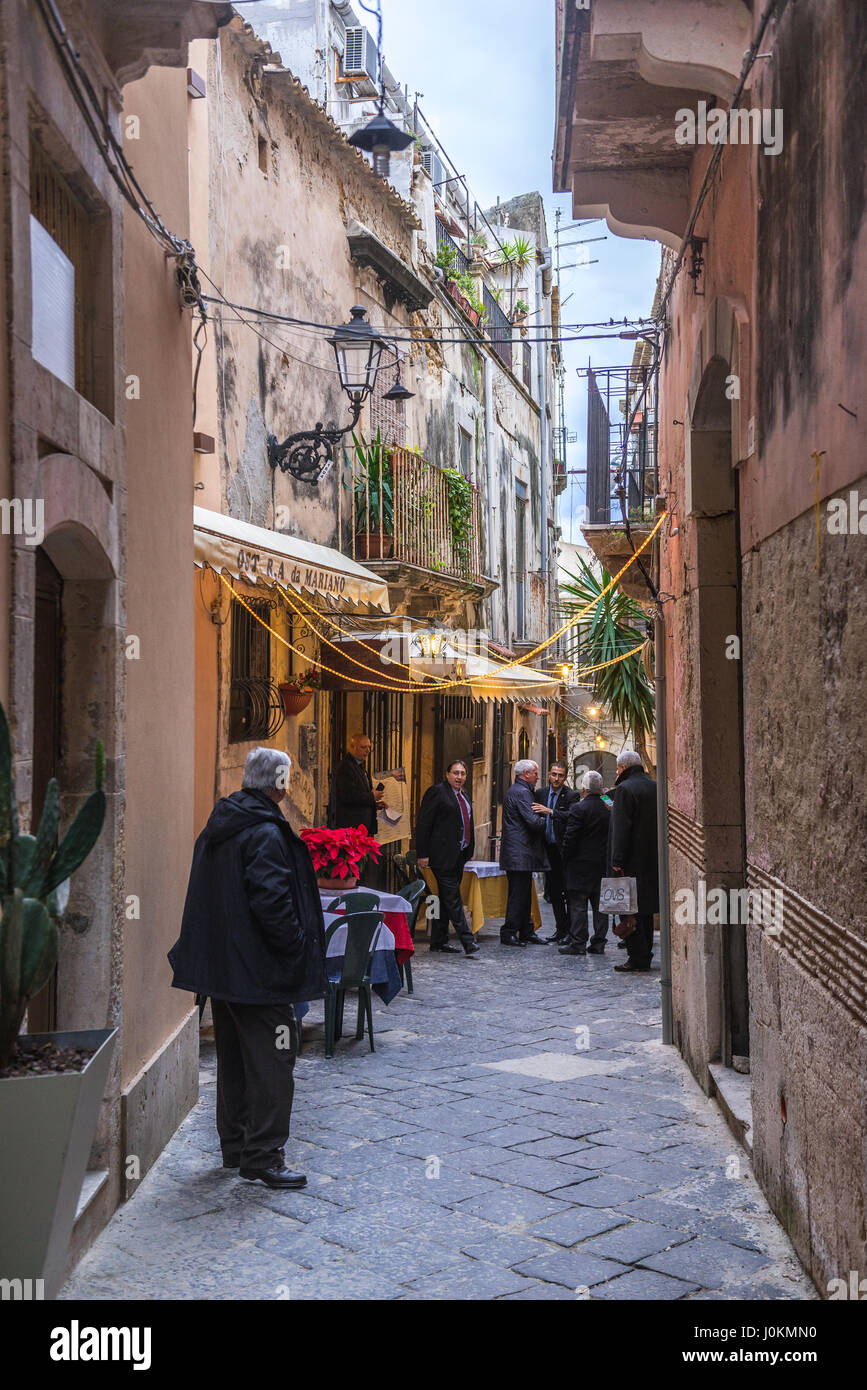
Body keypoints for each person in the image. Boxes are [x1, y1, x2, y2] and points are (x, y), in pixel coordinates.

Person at [168, 748, 326, 1190]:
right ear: (278, 783)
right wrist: (295, 944)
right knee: (275, 1060)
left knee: (235, 1059)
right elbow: (272, 902)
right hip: (260, 973)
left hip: (227, 973)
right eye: (288, 777)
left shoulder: (222, 826)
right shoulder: (264, 833)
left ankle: (236, 1146)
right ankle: (263, 1155)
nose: (289, 784)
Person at [415, 759, 479, 957]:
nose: (459, 777)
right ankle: (468, 942)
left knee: (444, 899)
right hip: (441, 856)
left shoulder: (464, 795)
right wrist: (422, 854)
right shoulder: (437, 792)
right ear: (447, 774)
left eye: (462, 774)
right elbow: (424, 823)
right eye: (455, 773)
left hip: (459, 855)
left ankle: (438, 941)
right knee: (453, 899)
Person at [608, 749, 659, 973]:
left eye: (618, 768)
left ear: (623, 768)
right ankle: (645, 954)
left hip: (630, 862)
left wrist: (617, 859)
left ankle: (636, 957)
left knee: (628, 910)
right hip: (651, 860)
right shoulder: (654, 786)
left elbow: (621, 827)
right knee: (645, 911)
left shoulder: (624, 789)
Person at [498, 758, 549, 947]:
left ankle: (526, 930)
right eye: (535, 773)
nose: (537, 777)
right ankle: (509, 932)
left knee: (524, 894)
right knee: (518, 895)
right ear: (526, 774)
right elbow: (533, 822)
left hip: (520, 853)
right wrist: (548, 816)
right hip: (519, 853)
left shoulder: (521, 790)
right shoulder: (521, 792)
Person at [559, 771, 611, 955]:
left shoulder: (578, 809)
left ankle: (578, 943)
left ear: (583, 790)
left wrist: (565, 857)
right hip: (602, 864)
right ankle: (598, 943)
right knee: (600, 907)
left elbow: (570, 838)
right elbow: (611, 803)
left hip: (580, 865)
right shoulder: (608, 807)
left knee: (578, 906)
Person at [329, 732, 384, 885]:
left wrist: (375, 803)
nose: (367, 751)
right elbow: (348, 796)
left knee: (362, 869)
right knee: (354, 869)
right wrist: (371, 797)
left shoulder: (359, 767)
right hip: (352, 828)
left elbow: (362, 794)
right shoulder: (345, 768)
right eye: (363, 747)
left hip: (362, 829)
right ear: (352, 747)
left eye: (369, 748)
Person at [532, 761, 578, 942]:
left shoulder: (571, 796)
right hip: (547, 850)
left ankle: (570, 932)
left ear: (565, 777)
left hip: (564, 852)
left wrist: (551, 812)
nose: (556, 778)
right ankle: (560, 930)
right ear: (548, 774)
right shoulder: (541, 793)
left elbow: (572, 816)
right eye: (553, 774)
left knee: (568, 892)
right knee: (554, 892)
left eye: (560, 775)